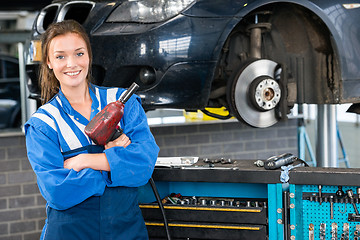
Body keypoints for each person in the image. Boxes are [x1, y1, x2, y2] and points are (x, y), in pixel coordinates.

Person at [24, 19, 159, 240]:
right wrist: (114, 164)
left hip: (126, 231)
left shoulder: (123, 103)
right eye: (60, 56)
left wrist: (84, 161)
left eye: (79, 53)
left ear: (89, 56)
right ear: (48, 62)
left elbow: (144, 163)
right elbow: (57, 192)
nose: (72, 64)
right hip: (69, 233)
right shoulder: (43, 124)